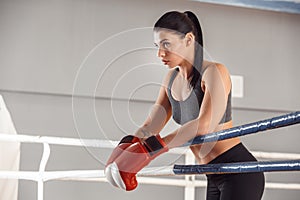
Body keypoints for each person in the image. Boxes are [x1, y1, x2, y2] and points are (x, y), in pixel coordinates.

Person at [105, 11, 265, 200]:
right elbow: (150, 126)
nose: (160, 53)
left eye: (166, 44)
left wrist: (152, 149)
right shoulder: (170, 79)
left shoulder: (214, 72)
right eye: (157, 46)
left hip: (238, 171)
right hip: (213, 174)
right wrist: (124, 148)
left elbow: (204, 125)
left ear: (189, 39)